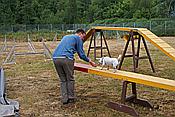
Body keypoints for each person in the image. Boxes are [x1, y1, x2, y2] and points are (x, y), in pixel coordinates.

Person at [52, 29, 96, 105]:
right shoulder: (78, 38)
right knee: (70, 79)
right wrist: (90, 61)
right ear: (80, 34)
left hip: (55, 58)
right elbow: (81, 54)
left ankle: (64, 99)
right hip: (66, 58)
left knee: (63, 80)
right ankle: (71, 98)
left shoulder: (66, 37)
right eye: (83, 37)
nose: (83, 39)